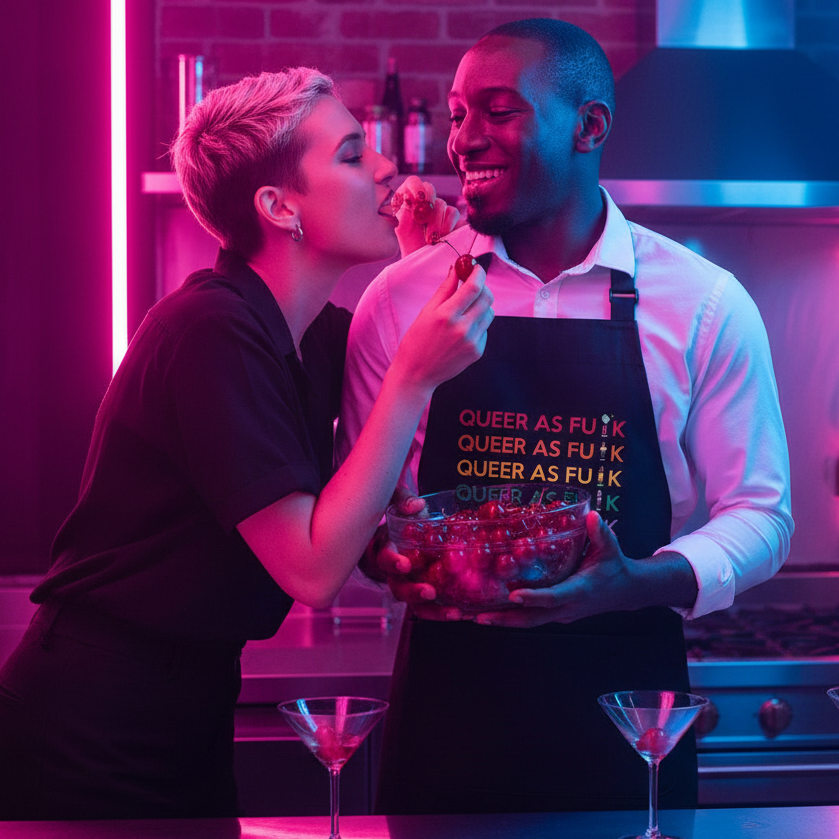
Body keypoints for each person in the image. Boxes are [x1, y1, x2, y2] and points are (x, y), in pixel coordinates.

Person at [0, 68, 493, 820]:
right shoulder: (207, 330)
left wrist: (416, 268)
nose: (388, 169)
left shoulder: (313, 336)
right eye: (353, 154)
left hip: (189, 703)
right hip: (90, 716)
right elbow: (313, 566)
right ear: (277, 206)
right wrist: (410, 379)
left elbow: (374, 464)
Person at [337, 19, 793, 814]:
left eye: (498, 110)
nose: (465, 139)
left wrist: (634, 581)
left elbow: (760, 512)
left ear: (589, 127)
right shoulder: (397, 301)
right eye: (456, 114)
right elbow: (364, 505)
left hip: (625, 717)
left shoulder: (704, 303)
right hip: (448, 710)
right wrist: (386, 554)